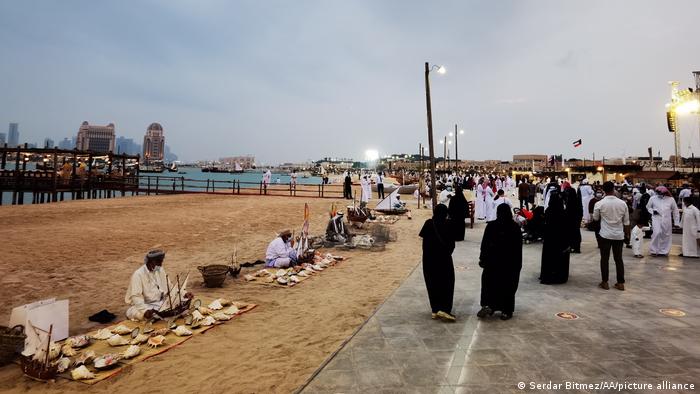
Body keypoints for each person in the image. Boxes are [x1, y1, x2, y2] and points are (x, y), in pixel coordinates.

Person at [478, 204, 522, 320]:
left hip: (495, 263)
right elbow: (518, 249)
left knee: (492, 284)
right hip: (508, 264)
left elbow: (484, 245)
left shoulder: (492, 226)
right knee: (506, 286)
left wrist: (483, 259)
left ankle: (494, 307)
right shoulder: (514, 227)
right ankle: (503, 309)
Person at [125, 250, 192, 321]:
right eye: (157, 262)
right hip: (146, 305)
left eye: (161, 262)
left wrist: (183, 294)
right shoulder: (138, 274)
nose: (160, 265)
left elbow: (170, 287)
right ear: (150, 262)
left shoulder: (160, 269)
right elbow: (136, 297)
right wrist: (145, 310)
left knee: (180, 305)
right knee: (135, 312)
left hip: (160, 303)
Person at [419, 204, 456, 322]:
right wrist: (446, 253)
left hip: (429, 260)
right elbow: (452, 244)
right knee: (446, 282)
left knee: (432, 283)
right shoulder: (448, 224)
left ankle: (435, 309)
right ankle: (444, 309)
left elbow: (424, 242)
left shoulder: (428, 223)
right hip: (444, 259)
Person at [593, 181, 629, 290]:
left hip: (605, 235)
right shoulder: (622, 204)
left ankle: (605, 282)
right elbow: (626, 222)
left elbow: (595, 218)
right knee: (618, 259)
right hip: (618, 235)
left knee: (604, 259)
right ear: (614, 189)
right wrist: (627, 236)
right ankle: (621, 283)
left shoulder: (599, 204)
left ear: (603, 190)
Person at [540, 192, 570, 284]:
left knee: (549, 257)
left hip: (550, 239)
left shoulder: (548, 211)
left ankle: (548, 274)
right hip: (560, 239)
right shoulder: (563, 212)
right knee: (559, 257)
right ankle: (558, 275)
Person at [647, 186, 680, 257]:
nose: (659, 194)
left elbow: (675, 211)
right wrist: (653, 211)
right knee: (656, 233)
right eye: (658, 193)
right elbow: (648, 207)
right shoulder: (653, 198)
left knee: (666, 235)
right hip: (656, 218)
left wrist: (676, 222)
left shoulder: (671, 199)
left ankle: (663, 251)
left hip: (667, 219)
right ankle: (653, 250)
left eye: (661, 193)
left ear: (665, 193)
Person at [563, 181, 583, 253]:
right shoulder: (577, 201)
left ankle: (572, 246)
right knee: (576, 232)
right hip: (577, 219)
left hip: (571, 220)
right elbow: (580, 211)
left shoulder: (570, 203)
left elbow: (568, 212)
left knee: (571, 233)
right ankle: (577, 248)